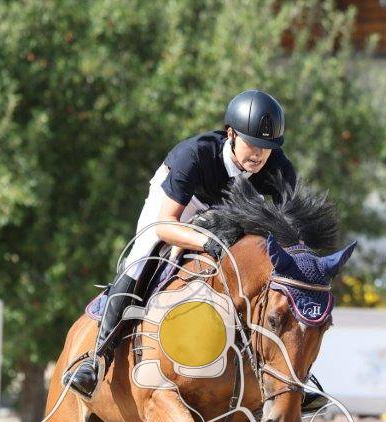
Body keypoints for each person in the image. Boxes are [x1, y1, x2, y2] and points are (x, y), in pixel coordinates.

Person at [63, 89, 298, 400]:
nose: (258, 155)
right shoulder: (194, 155)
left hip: (231, 210)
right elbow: (165, 225)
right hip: (180, 208)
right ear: (230, 134)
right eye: (251, 144)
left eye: (267, 148)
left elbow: (289, 234)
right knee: (141, 256)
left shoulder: (278, 168)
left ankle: (296, 379)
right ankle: (97, 358)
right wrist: (208, 242)